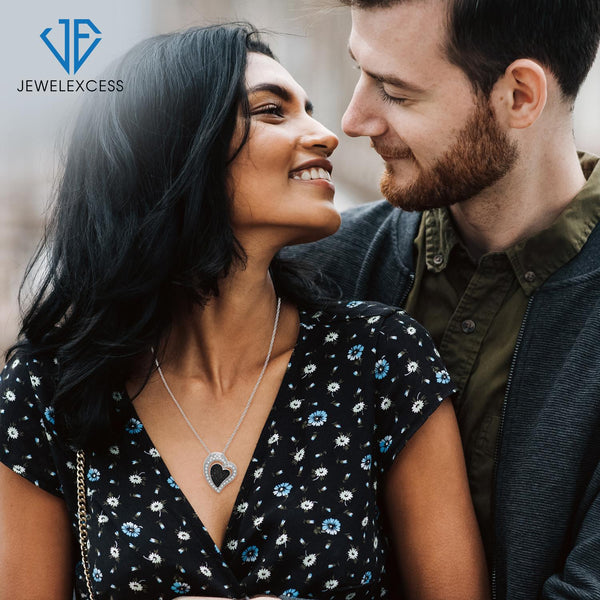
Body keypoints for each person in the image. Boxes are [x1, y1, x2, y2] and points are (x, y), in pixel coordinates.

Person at [0, 23, 488, 600]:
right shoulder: (46, 392)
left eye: (307, 108)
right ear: (175, 147)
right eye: (273, 112)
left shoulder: (378, 358)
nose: (327, 135)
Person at [283, 0, 600, 599]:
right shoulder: (310, 274)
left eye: (396, 93)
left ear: (520, 97)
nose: (353, 120)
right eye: (360, 71)